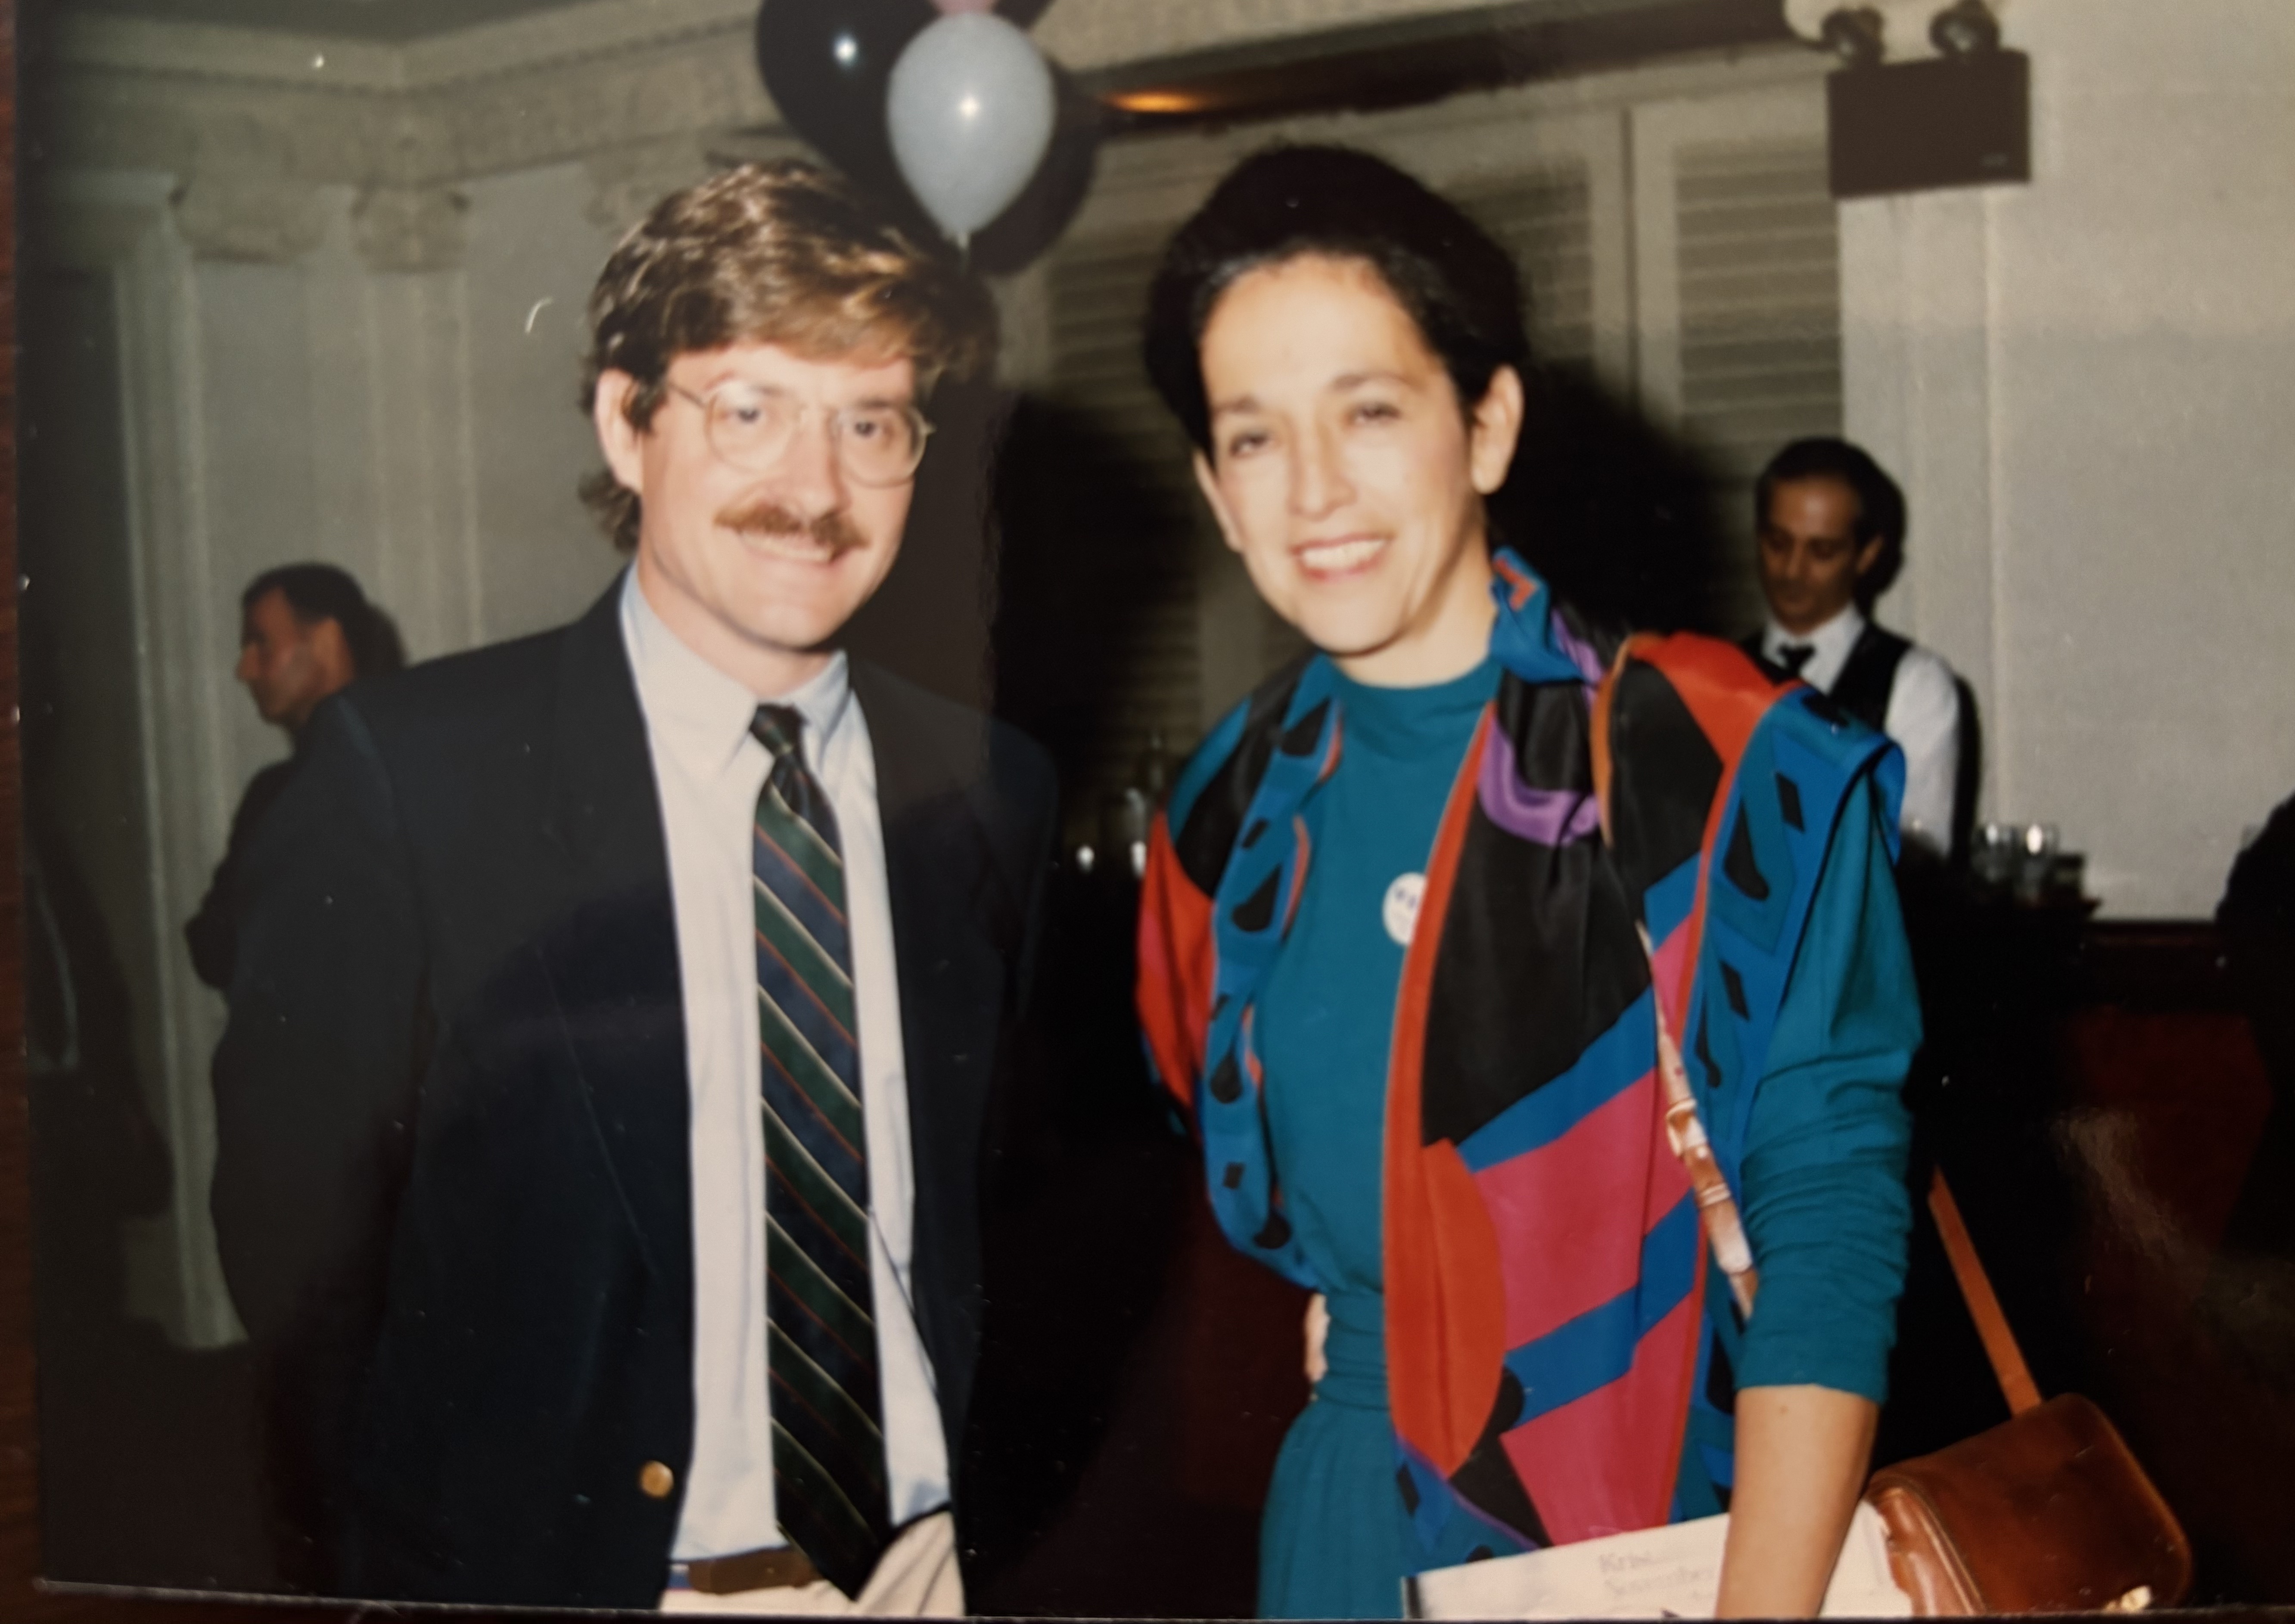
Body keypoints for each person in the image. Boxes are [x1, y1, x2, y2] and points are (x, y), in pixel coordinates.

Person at [210, 161, 1057, 1613]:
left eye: (870, 424)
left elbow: (1002, 1214)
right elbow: (298, 1258)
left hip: (925, 1574)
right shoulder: (416, 775)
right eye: (749, 411)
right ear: (627, 420)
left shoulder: (991, 786)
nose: (815, 488)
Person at [1135, 146, 1917, 1620]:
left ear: (1483, 424)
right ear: (1211, 487)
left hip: (1643, 1537)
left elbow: (1825, 1216)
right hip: (1340, 1537)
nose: (1313, 490)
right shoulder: (1224, 815)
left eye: (1368, 411)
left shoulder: (1711, 755)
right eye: (1252, 438)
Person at [1743, 438, 1964, 861]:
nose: (1792, 570)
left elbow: (1920, 853)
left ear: (1867, 555)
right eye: (1777, 543)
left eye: (1821, 551)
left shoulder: (1915, 684)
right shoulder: (1721, 669)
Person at [185, 564, 403, 991]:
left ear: (326, 642)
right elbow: (212, 946)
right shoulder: (273, 792)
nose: (244, 669)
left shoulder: (405, 773)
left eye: (260, 644)